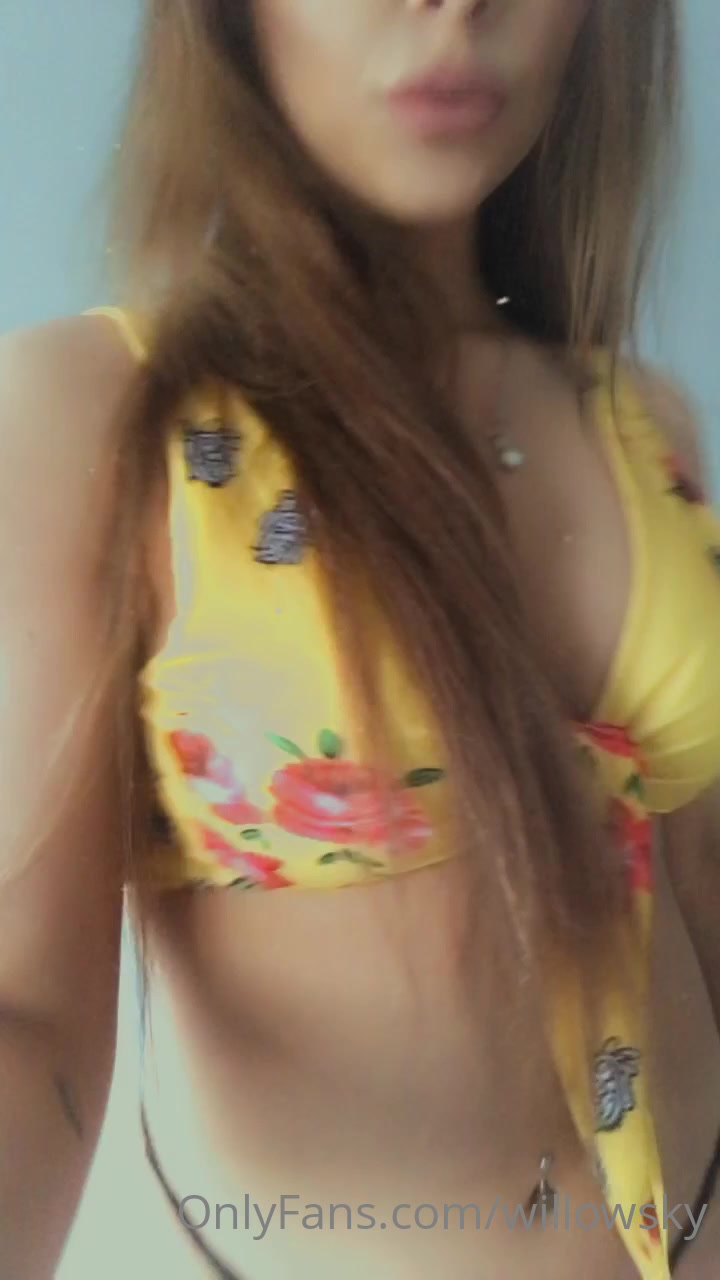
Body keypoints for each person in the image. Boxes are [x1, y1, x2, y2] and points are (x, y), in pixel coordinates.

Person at [1, 1, 719, 1276]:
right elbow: (29, 1020)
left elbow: (697, 858)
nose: (457, 7)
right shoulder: (96, 415)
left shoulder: (640, 413)